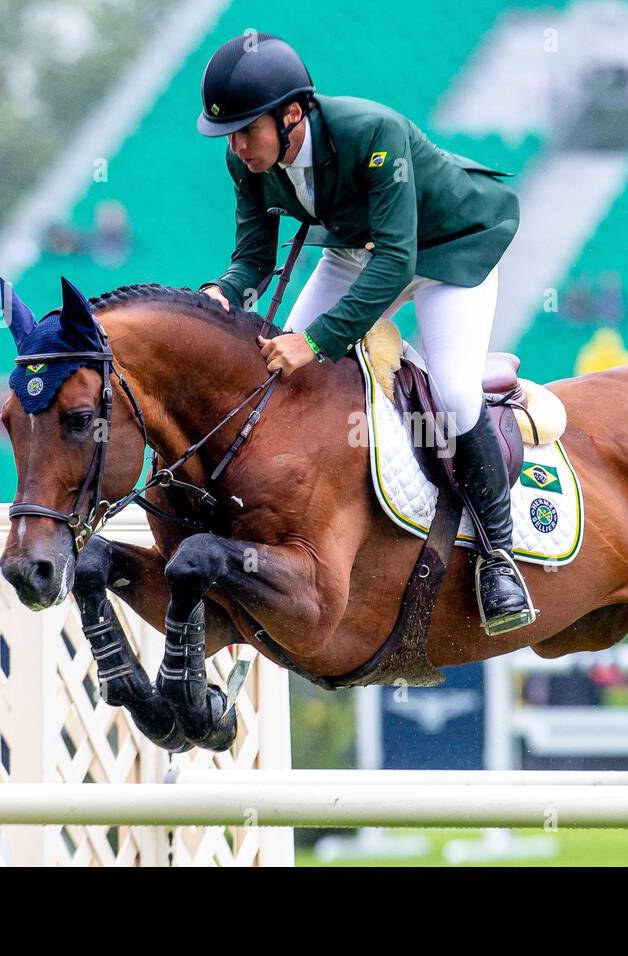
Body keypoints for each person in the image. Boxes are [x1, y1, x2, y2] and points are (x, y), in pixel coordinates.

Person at [194, 33, 535, 635]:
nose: (238, 145)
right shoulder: (245, 159)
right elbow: (252, 259)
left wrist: (319, 341)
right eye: (231, 134)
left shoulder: (373, 133)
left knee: (454, 393)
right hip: (359, 254)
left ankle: (498, 556)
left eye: (248, 130)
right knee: (277, 381)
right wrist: (222, 294)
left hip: (447, 254)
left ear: (293, 114)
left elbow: (398, 261)